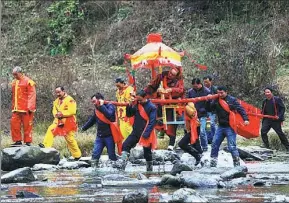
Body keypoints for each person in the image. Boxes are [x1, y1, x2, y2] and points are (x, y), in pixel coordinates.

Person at [114, 89, 157, 171]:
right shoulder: (137, 105)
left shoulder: (152, 107)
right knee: (126, 145)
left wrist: (146, 134)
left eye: (140, 100)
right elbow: (129, 114)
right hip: (136, 131)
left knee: (147, 153)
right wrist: (129, 105)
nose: (139, 101)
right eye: (138, 100)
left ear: (145, 97)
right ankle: (122, 165)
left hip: (145, 132)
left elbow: (152, 122)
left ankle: (149, 170)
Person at [144, 66, 184, 150]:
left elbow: (180, 90)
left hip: (171, 103)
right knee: (152, 118)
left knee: (171, 124)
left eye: (173, 75)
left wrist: (171, 90)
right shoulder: (161, 76)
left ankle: (171, 143)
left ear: (176, 75)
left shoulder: (178, 80)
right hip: (158, 102)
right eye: (170, 73)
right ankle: (151, 141)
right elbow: (151, 86)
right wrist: (156, 90)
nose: (170, 75)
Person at [210, 86, 249, 167]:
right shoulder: (216, 100)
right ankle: (213, 164)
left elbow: (240, 109)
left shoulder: (232, 100)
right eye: (218, 93)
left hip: (230, 127)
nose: (220, 94)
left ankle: (237, 165)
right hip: (220, 127)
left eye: (222, 93)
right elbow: (209, 109)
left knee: (231, 146)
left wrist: (245, 119)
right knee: (214, 144)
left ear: (226, 92)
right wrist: (208, 101)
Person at [39, 86, 81, 160]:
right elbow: (54, 110)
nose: (58, 94)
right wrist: (56, 114)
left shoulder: (70, 100)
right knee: (51, 129)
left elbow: (72, 111)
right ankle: (46, 146)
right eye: (56, 92)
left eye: (59, 92)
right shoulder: (56, 101)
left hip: (69, 122)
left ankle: (77, 156)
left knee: (70, 139)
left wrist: (61, 113)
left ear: (63, 91)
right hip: (58, 121)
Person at [81, 93, 119, 168]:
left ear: (100, 100)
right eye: (92, 102)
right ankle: (94, 171)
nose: (93, 104)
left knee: (111, 155)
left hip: (109, 136)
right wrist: (83, 128)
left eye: (94, 101)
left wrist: (101, 106)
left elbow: (109, 115)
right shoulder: (97, 109)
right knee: (95, 154)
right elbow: (92, 120)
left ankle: (115, 171)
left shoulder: (110, 106)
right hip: (100, 136)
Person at [10, 66, 36, 147]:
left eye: (16, 74)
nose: (15, 76)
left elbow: (32, 94)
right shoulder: (14, 82)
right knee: (14, 124)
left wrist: (30, 107)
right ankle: (17, 141)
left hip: (26, 109)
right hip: (16, 108)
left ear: (20, 73)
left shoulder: (28, 81)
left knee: (27, 125)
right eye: (13, 75)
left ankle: (28, 142)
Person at [260, 87, 289, 151]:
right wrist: (261, 114)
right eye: (266, 92)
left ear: (271, 92)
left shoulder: (277, 99)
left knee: (279, 133)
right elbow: (263, 110)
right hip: (267, 119)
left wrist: (279, 116)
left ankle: (287, 147)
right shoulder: (264, 101)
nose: (267, 94)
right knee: (263, 131)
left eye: (268, 92)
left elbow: (282, 108)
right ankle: (266, 146)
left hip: (275, 120)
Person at [187, 78, 210, 151]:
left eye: (196, 86)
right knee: (194, 131)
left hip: (203, 114)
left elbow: (210, 104)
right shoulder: (190, 91)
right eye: (194, 86)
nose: (195, 88)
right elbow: (188, 101)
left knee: (203, 131)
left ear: (200, 84)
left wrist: (205, 109)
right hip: (193, 115)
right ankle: (195, 146)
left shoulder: (207, 91)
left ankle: (205, 147)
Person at [203, 75, 218, 144]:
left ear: (211, 81)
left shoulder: (215, 89)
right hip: (205, 110)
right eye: (204, 82)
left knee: (211, 124)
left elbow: (218, 99)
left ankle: (216, 137)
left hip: (212, 110)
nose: (205, 84)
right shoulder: (203, 89)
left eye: (207, 82)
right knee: (208, 125)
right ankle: (210, 139)